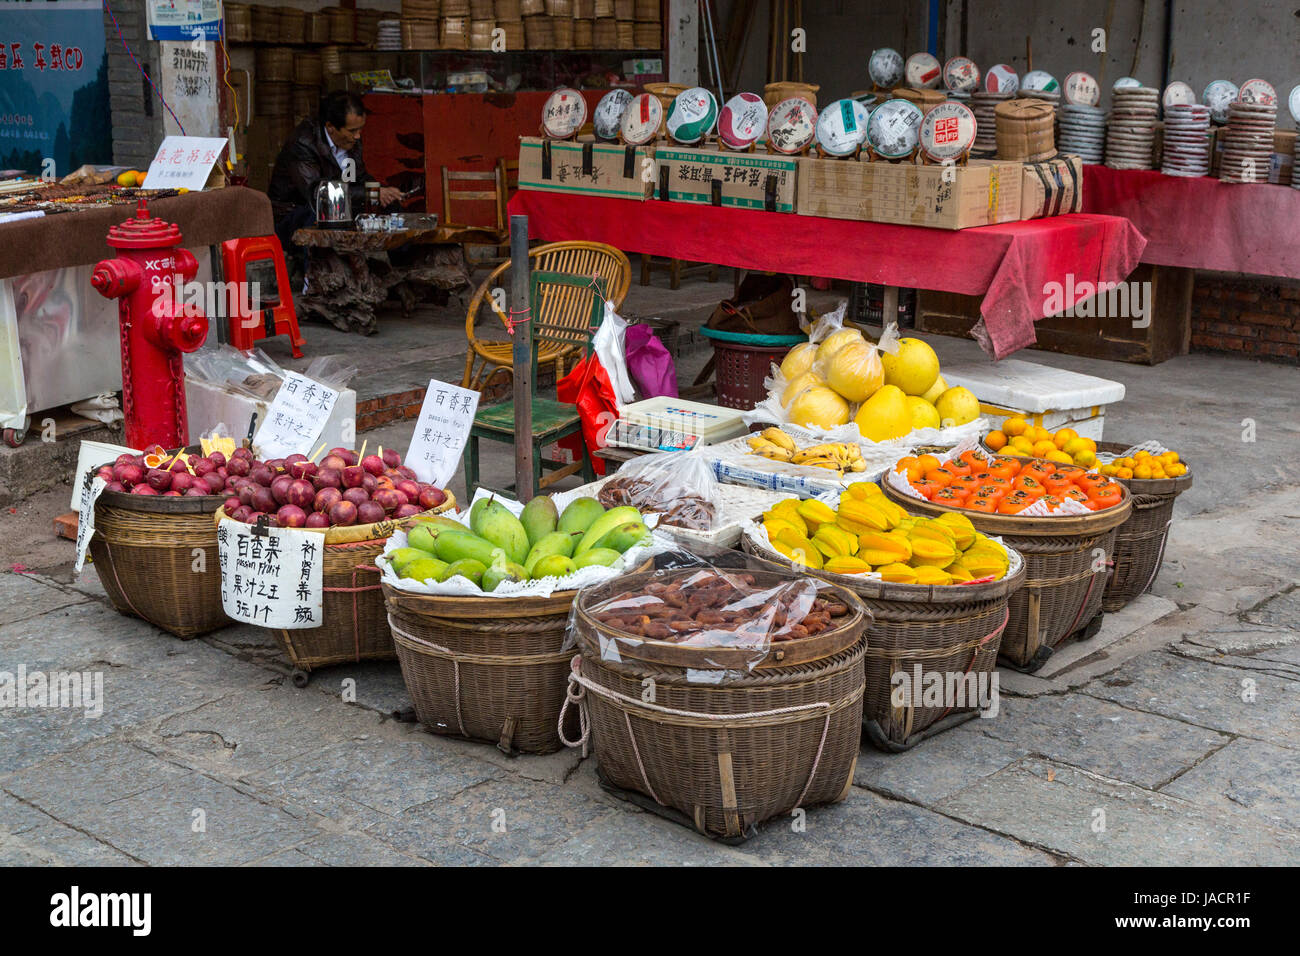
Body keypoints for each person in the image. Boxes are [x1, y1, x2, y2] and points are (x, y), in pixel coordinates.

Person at [268, 91, 403, 252]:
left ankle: (400, 265)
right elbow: (318, 195)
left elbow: (355, 178)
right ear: (330, 127)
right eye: (352, 131)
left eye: (360, 130)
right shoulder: (303, 143)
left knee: (390, 207)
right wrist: (372, 192)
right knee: (318, 216)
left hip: (338, 211)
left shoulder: (351, 142)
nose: (358, 136)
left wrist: (382, 191)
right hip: (295, 214)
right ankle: (313, 274)